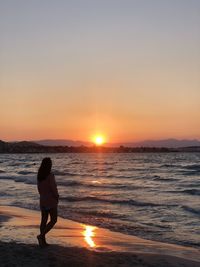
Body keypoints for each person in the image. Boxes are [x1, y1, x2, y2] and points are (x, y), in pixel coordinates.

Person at [37, 157, 59, 247]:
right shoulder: (50, 175)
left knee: (44, 220)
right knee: (54, 220)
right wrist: (57, 196)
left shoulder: (39, 176)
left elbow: (39, 188)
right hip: (50, 200)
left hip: (42, 200)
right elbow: (53, 188)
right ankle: (41, 236)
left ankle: (43, 241)